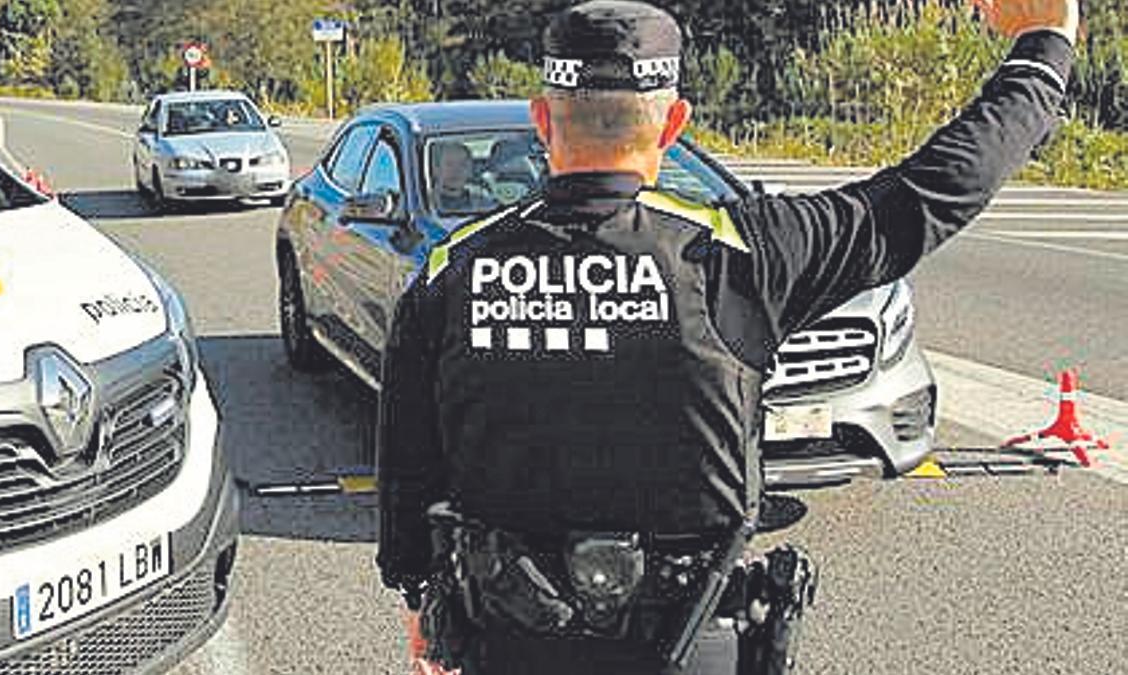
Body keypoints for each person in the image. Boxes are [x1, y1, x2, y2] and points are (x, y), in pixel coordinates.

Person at [376, 0, 1079, 673]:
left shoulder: (448, 271)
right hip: (689, 641)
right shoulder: (741, 251)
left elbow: (408, 466)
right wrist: (1046, 45)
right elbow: (935, 188)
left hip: (509, 641)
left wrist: (417, 596)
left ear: (541, 120)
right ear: (674, 122)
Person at [432, 141, 498, 213]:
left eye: (463, 164)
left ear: (470, 170)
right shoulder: (427, 204)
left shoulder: (483, 204)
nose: (456, 170)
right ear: (436, 169)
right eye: (449, 164)